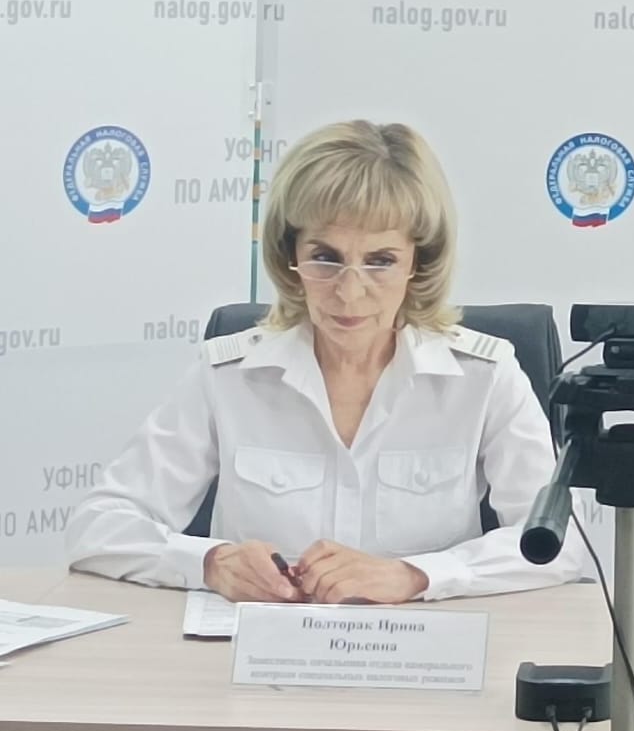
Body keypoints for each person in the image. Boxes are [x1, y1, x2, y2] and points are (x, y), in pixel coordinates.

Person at [65, 120, 583, 603]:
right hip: (259, 653)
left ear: (418, 262)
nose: (349, 291)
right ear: (289, 255)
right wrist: (211, 563)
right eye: (325, 257)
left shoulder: (484, 375)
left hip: (424, 652)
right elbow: (99, 526)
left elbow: (563, 545)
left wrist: (415, 575)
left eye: (380, 261)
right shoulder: (225, 374)